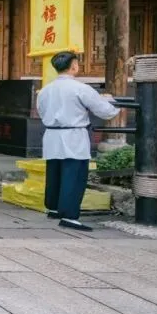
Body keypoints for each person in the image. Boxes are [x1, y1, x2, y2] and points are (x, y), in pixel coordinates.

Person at [37, 51, 119, 232]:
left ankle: (54, 208)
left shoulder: (45, 90)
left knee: (54, 172)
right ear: (73, 66)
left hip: (52, 134)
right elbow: (105, 110)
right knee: (73, 175)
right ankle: (69, 215)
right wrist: (111, 103)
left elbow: (41, 112)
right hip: (73, 134)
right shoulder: (80, 88)